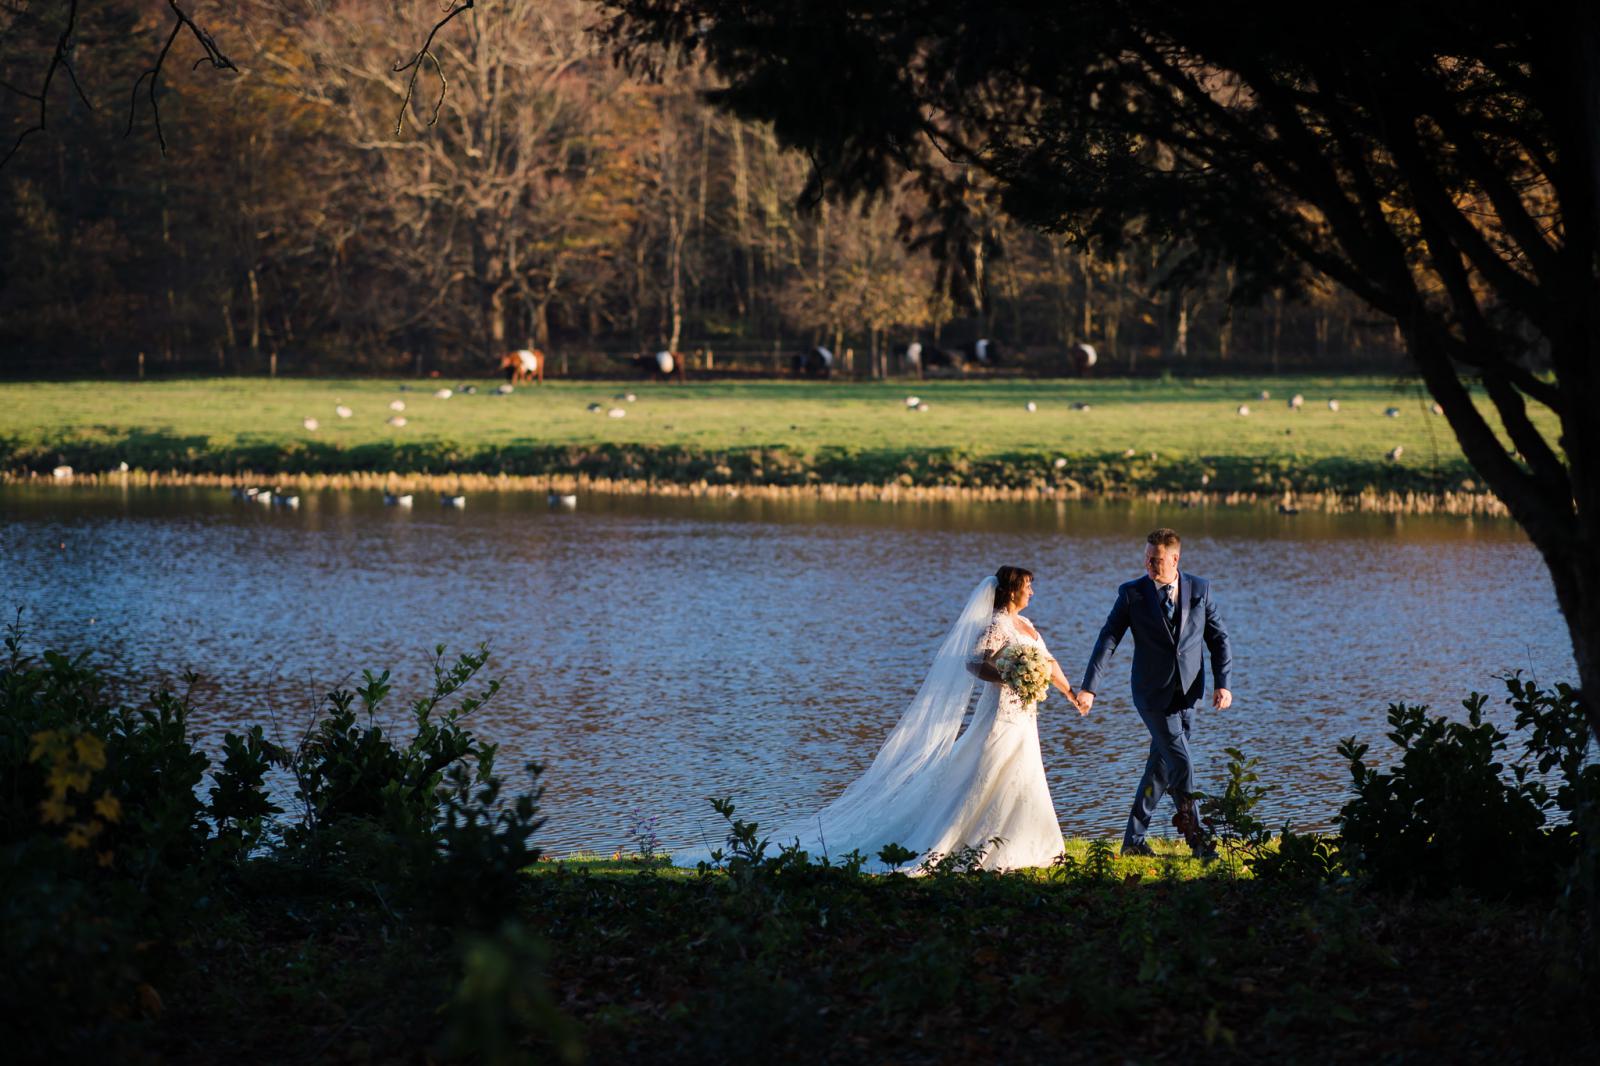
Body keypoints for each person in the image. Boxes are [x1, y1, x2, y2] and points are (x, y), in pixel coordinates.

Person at [679, 567, 1084, 872]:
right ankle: (969, 839)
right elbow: (973, 662)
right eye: (1028, 585)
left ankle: (1030, 840)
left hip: (1026, 714)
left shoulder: (1027, 626)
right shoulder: (996, 625)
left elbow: (1047, 662)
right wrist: (1007, 676)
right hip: (1001, 714)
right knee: (987, 769)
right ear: (1012, 589)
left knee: (1026, 772)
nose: (1032, 591)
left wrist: (1070, 694)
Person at [1076, 529, 1233, 858]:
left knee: (1160, 770)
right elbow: (1108, 639)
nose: (1149, 564)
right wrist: (1090, 687)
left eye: (1156, 559)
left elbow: (1218, 639)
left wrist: (1223, 683)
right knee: (1183, 765)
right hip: (1151, 695)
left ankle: (1133, 841)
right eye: (1146, 557)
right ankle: (1199, 843)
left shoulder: (1200, 589)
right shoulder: (1132, 594)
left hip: (1188, 696)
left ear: (1175, 559)